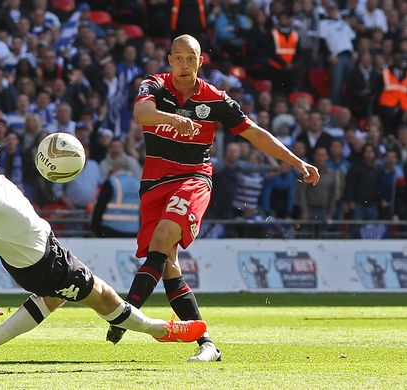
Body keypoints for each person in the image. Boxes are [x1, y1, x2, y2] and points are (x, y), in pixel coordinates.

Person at [0, 101, 208, 370]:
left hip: (27, 261)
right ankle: (162, 331)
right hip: (47, 261)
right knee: (103, 298)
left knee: (50, 300)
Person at [105, 34, 320, 362]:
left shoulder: (215, 98)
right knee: (168, 266)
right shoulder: (154, 85)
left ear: (200, 61)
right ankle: (207, 343)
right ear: (169, 60)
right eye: (178, 57)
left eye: (190, 58)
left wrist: (297, 162)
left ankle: (127, 314)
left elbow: (255, 133)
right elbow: (142, 115)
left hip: (193, 179)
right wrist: (174, 118)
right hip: (153, 184)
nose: (184, 64)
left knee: (163, 238)